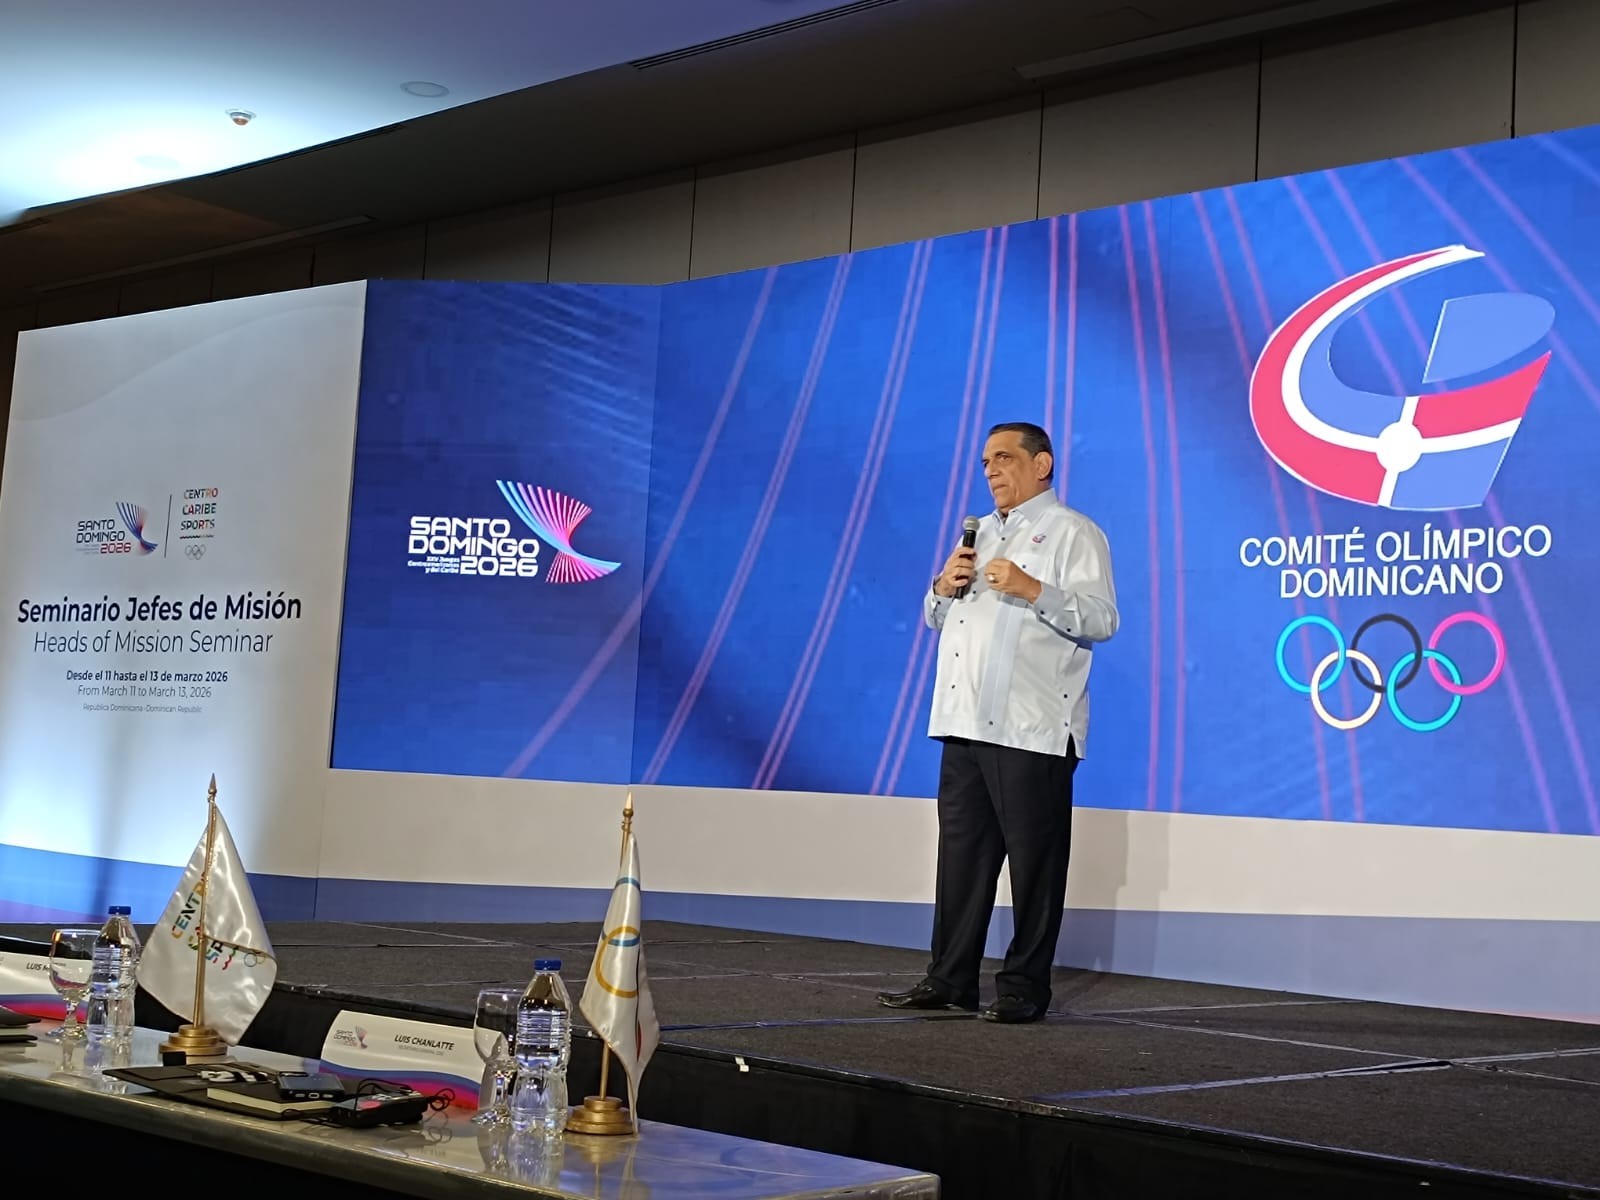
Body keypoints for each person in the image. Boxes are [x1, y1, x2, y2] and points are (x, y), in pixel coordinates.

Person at [878, 421, 1119, 1024]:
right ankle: (949, 979)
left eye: (1004, 458)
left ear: (1042, 465)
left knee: (1035, 867)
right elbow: (939, 617)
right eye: (986, 461)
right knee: (961, 861)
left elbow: (1102, 619)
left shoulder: (1074, 531)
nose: (991, 470)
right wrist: (942, 586)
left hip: (1032, 728)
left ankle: (1024, 986)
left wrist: (1033, 587)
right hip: (964, 723)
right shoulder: (978, 534)